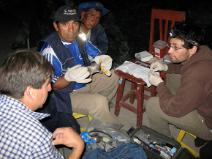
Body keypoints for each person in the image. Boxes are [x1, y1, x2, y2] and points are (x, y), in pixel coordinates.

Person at [38, 5, 120, 131]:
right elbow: (52, 86)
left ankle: (99, 114)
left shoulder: (79, 37)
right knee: (99, 102)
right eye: (65, 24)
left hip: (84, 81)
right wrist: (68, 77)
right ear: (56, 26)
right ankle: (114, 132)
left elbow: (96, 55)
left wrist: (102, 60)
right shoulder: (49, 50)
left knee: (114, 75)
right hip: (65, 94)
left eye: (75, 23)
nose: (71, 29)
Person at [0, 50, 84, 159]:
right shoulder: (36, 138)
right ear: (30, 92)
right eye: (47, 84)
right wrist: (79, 146)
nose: (50, 88)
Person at [145, 22, 212, 140]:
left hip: (208, 122)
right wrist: (166, 67)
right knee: (172, 76)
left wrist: (159, 84)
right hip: (204, 101)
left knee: (152, 105)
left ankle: (165, 145)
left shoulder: (197, 73)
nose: (169, 51)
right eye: (170, 45)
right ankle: (175, 99)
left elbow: (175, 110)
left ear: (192, 49)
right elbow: (186, 67)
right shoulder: (203, 51)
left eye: (175, 47)